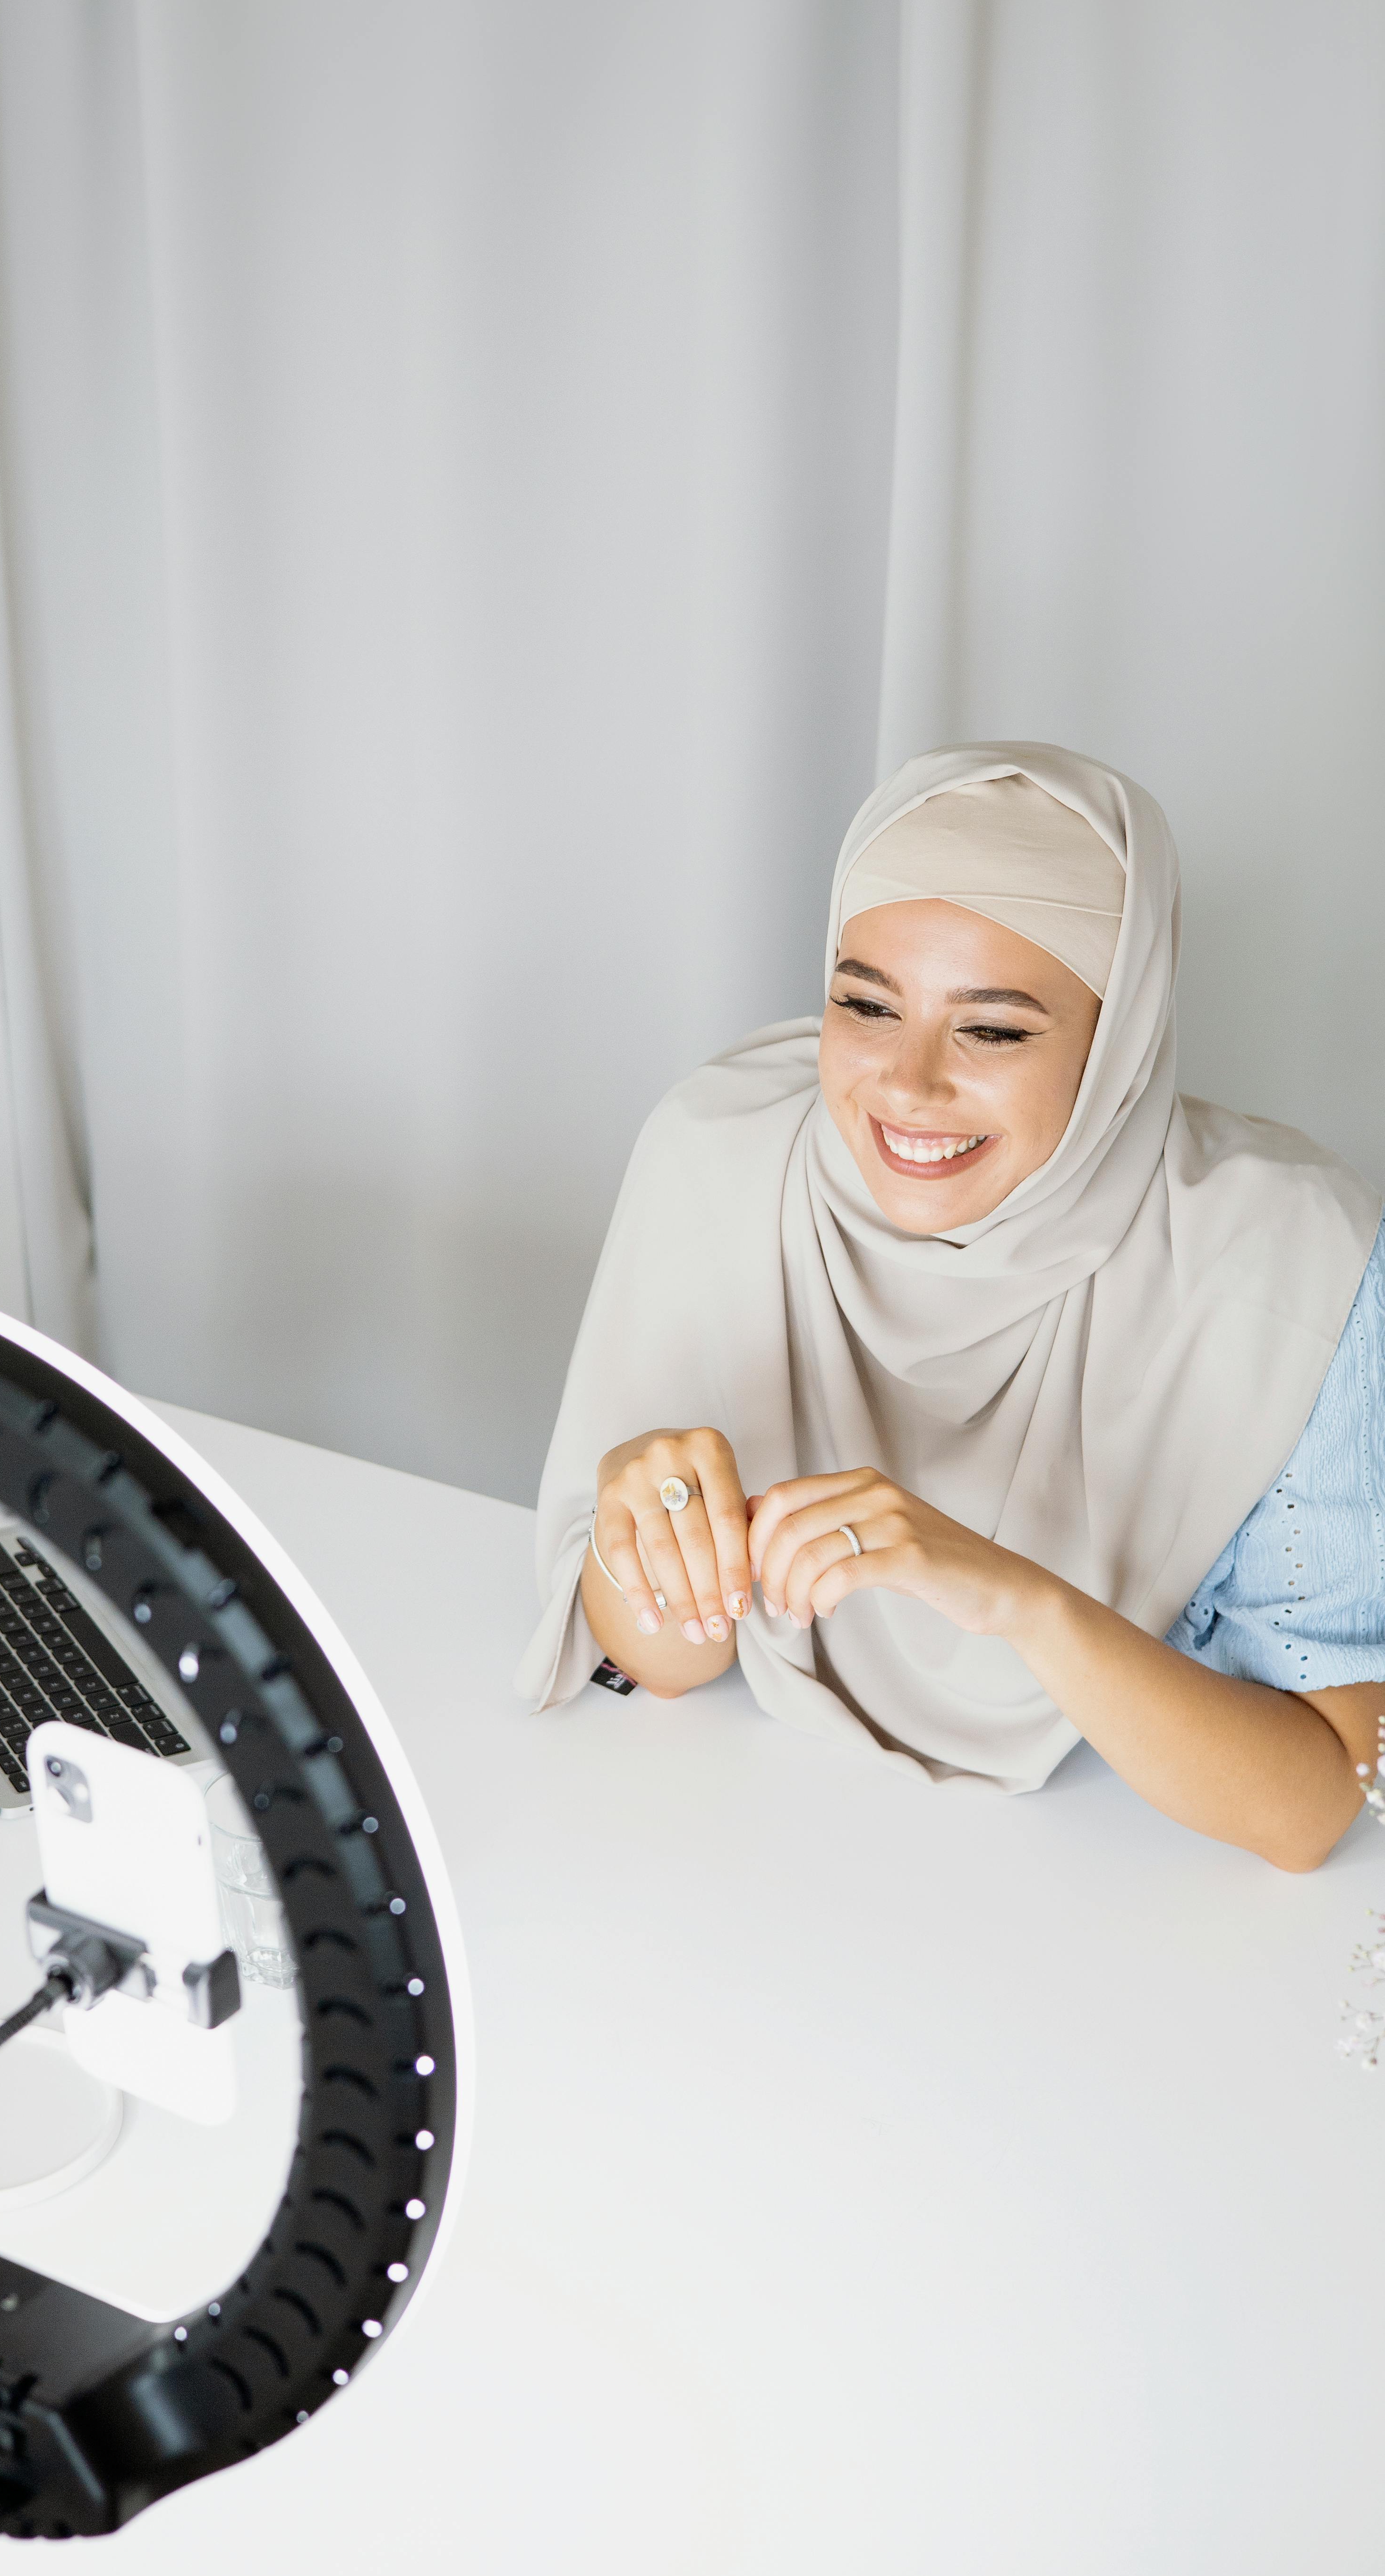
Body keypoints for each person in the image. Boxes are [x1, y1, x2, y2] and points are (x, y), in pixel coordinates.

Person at [517, 744, 1385, 1870]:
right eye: (864, 1003)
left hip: (1112, 1912)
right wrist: (646, 1538)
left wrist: (1012, 1597)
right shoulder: (723, 1155)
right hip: (748, 1873)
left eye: (993, 1028)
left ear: (1119, 1042)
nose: (907, 1084)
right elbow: (660, 1668)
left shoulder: (1289, 1256)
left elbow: (1316, 1803)